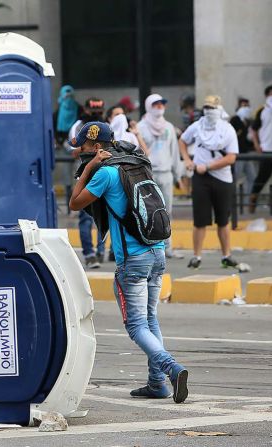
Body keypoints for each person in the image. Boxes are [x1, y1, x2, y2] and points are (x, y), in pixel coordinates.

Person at [69, 121, 188, 404]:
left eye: (83, 148)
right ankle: (157, 383)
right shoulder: (135, 164)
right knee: (150, 319)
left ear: (97, 148)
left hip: (132, 260)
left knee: (136, 326)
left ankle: (171, 367)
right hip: (157, 252)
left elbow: (75, 202)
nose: (79, 153)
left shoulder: (106, 173)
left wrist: (89, 168)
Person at [179, 95, 243, 270]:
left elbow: (231, 157)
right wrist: (187, 160)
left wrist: (207, 166)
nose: (209, 111)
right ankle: (196, 256)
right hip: (200, 178)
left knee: (223, 220)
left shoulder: (227, 129)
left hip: (221, 177)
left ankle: (226, 255)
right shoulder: (197, 126)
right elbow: (183, 141)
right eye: (206, 108)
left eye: (213, 108)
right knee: (200, 220)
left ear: (219, 109)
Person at [137, 94, 184, 259]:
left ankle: (167, 247)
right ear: (149, 106)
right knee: (148, 212)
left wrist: (178, 175)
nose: (159, 107)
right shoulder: (141, 127)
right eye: (155, 104)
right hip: (148, 174)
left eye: (162, 104)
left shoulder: (169, 127)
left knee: (166, 212)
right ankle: (149, 247)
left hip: (166, 173)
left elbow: (174, 152)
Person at [65, 97, 107, 268]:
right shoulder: (79, 126)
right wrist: (86, 148)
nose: (96, 114)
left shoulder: (106, 127)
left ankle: (101, 251)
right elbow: (72, 149)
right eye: (93, 110)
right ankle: (89, 254)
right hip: (83, 175)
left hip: (102, 175)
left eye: (99, 111)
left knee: (103, 215)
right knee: (86, 217)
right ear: (86, 110)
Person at [249, 85, 272, 212]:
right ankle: (253, 198)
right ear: (267, 96)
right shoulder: (261, 111)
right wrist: (257, 145)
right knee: (263, 176)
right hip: (267, 150)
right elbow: (253, 129)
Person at [230, 98, 256, 196]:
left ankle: (247, 200)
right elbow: (234, 136)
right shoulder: (235, 120)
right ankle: (232, 200)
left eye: (247, 106)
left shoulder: (249, 121)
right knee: (235, 177)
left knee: (252, 177)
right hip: (238, 154)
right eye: (243, 106)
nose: (246, 109)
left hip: (247, 153)